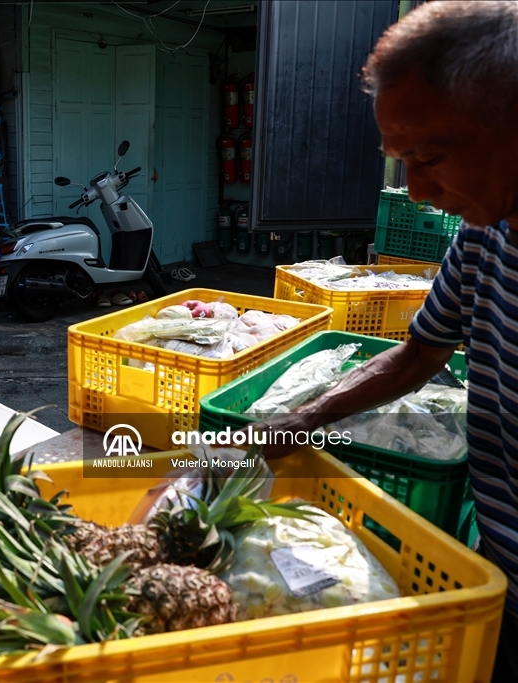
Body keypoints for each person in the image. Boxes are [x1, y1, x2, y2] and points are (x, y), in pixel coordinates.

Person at [257, 3, 516, 680]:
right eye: (402, 163)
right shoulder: (483, 237)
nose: (419, 192)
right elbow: (417, 355)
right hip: (499, 578)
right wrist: (306, 417)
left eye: (429, 157)